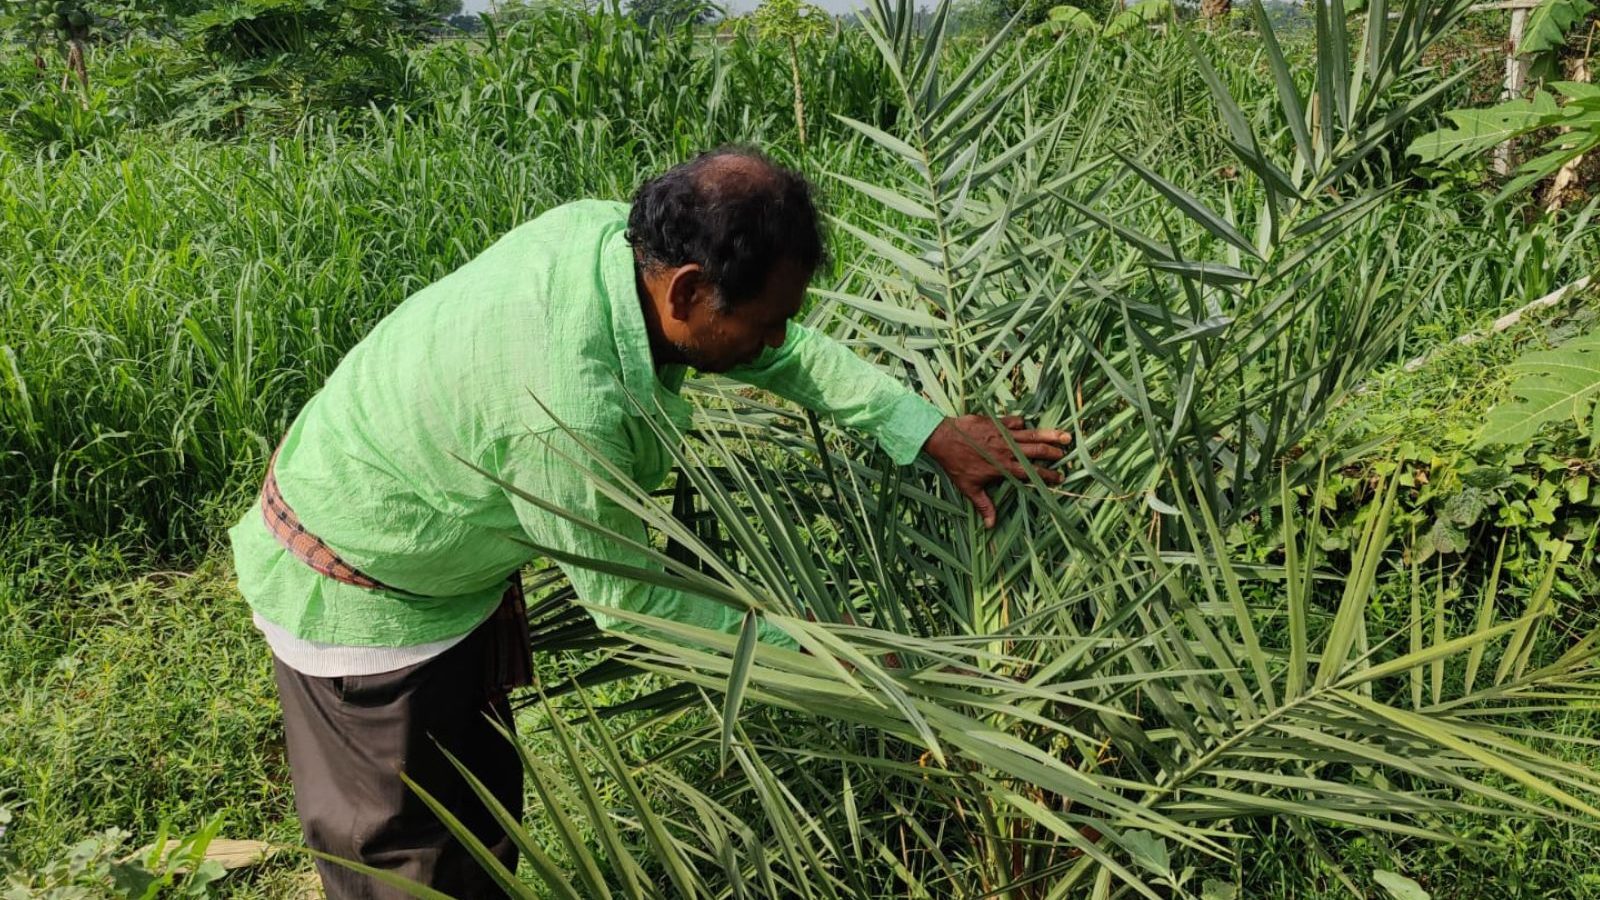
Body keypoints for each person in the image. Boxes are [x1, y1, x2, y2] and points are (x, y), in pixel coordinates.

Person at [230, 146, 1072, 898]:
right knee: (406, 857)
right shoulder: (563, 411)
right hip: (362, 592)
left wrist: (924, 430)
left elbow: (783, 349)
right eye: (763, 319)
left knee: (481, 819)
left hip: (440, 544)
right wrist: (842, 659)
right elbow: (639, 605)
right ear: (690, 291)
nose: (776, 340)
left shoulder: (611, 241)